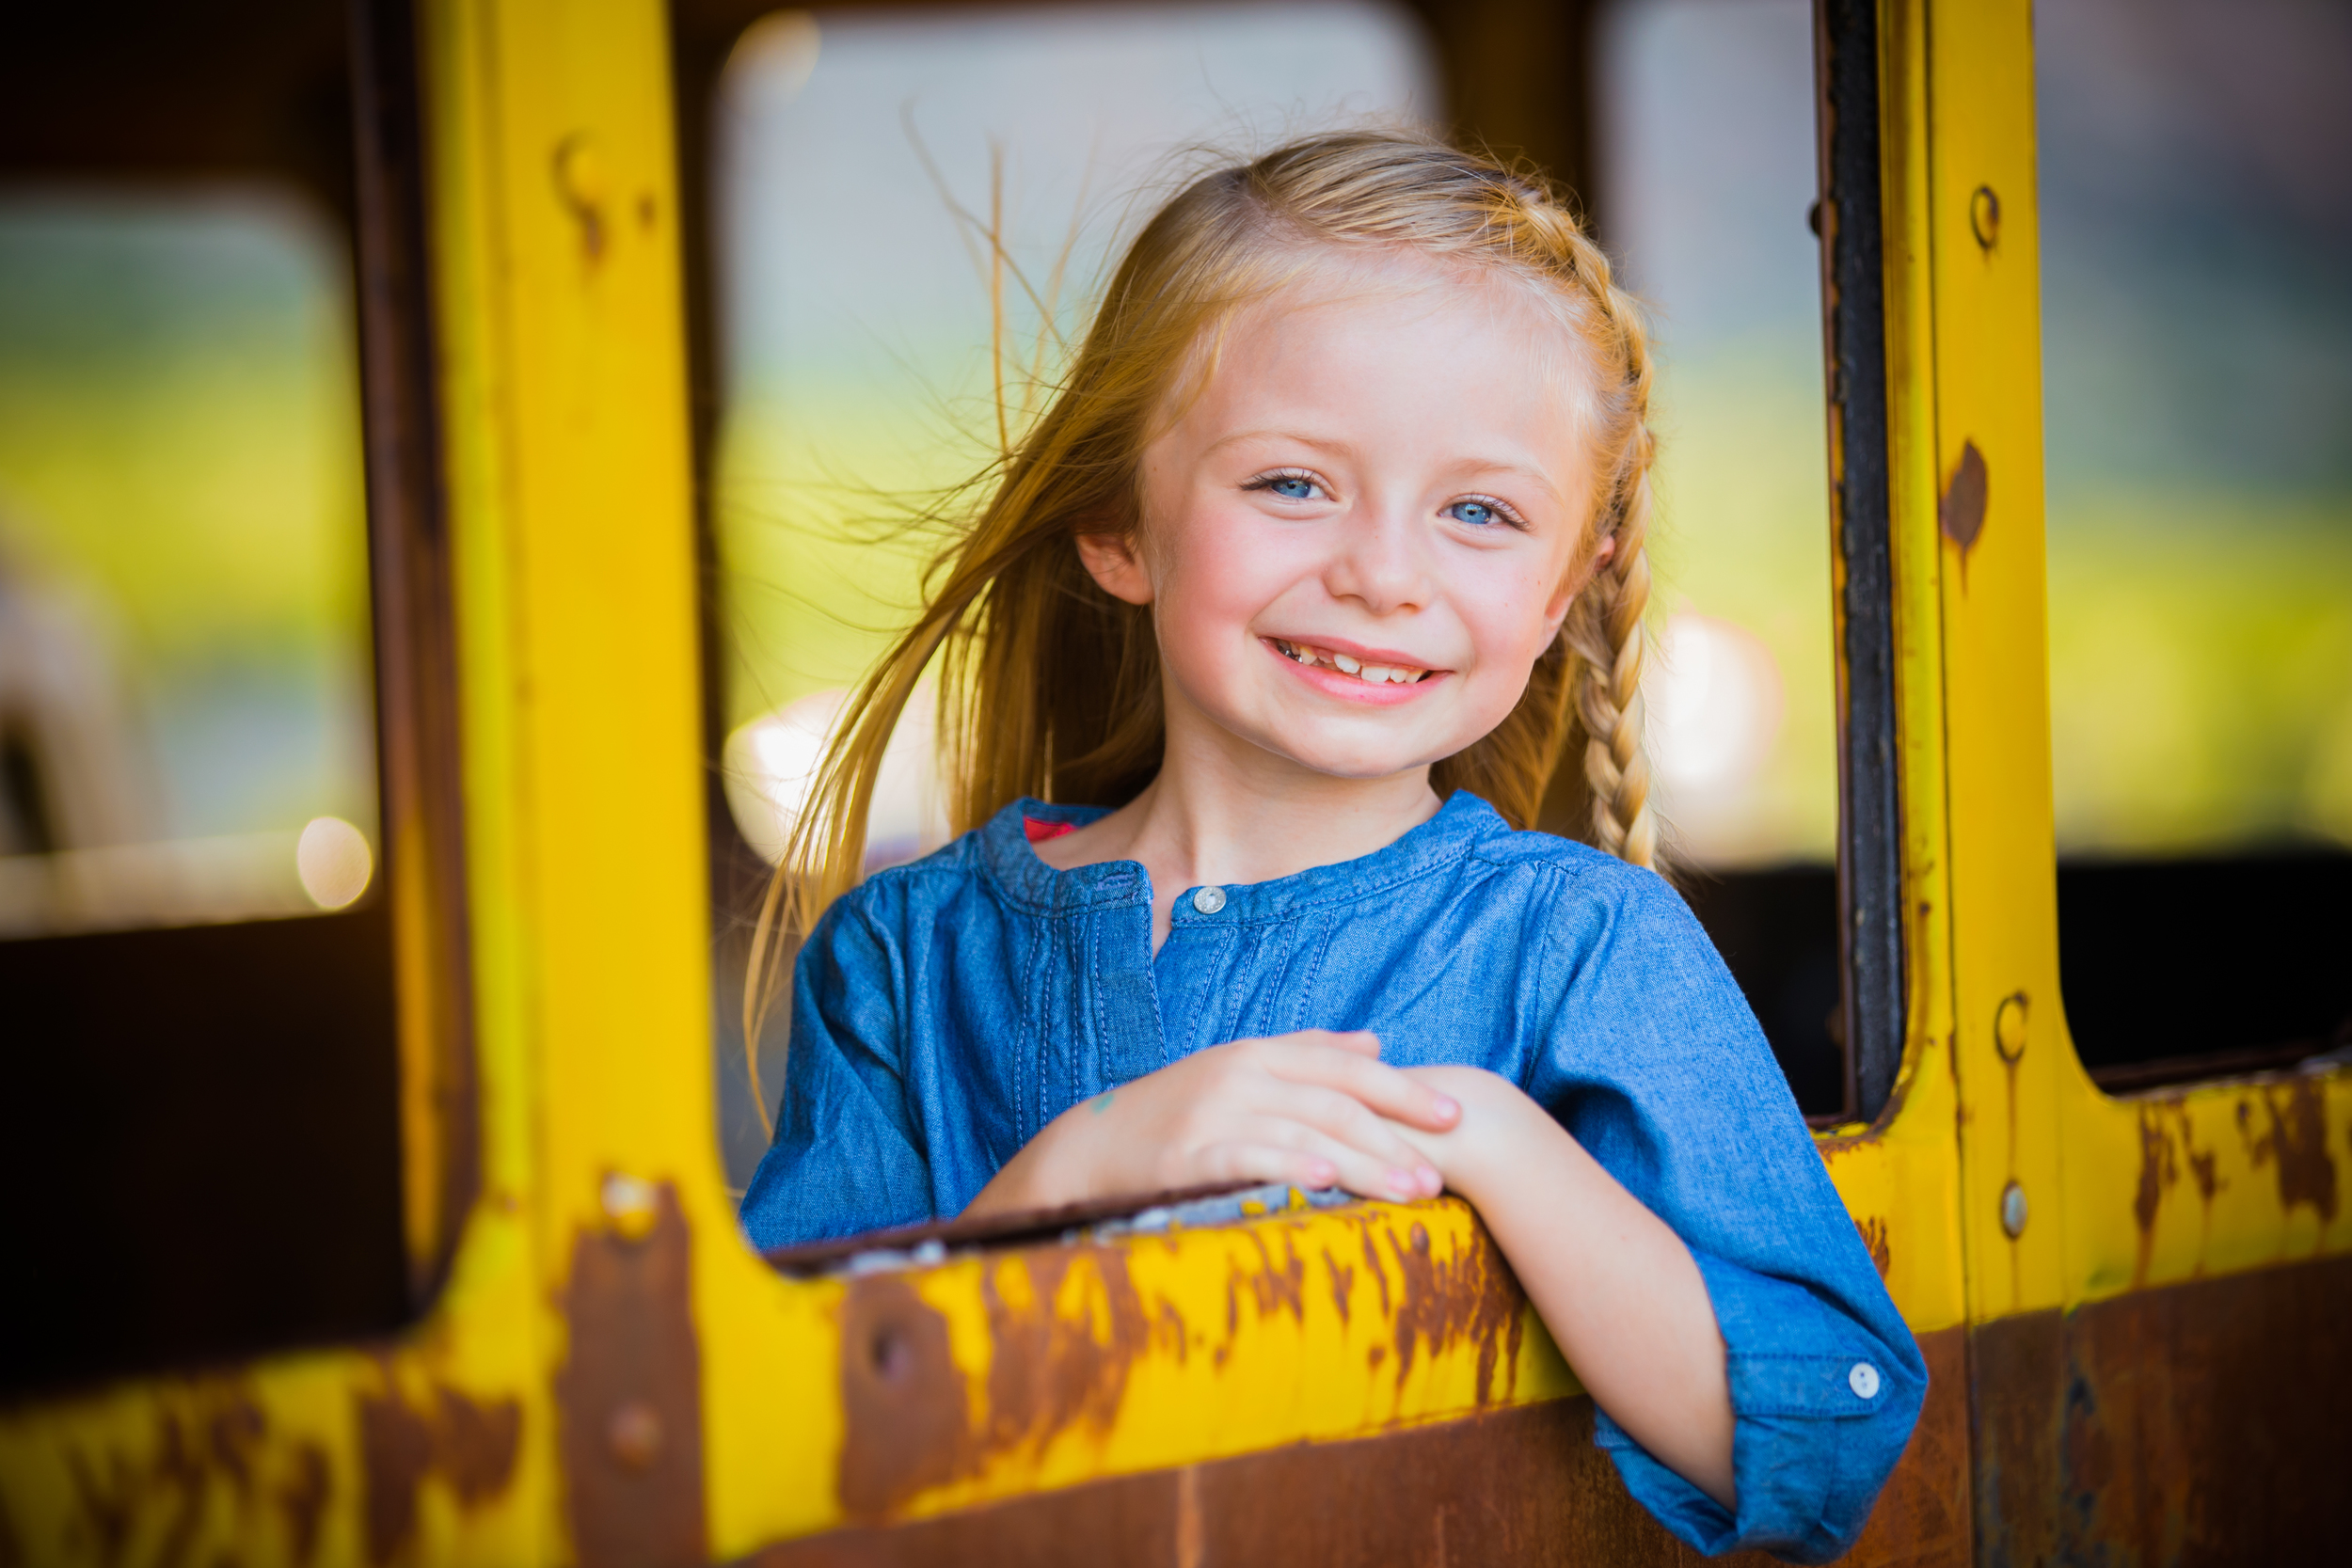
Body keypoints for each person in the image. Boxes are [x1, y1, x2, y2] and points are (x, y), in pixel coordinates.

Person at [737, 131, 1922, 1560]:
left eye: (1480, 513)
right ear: (1121, 521)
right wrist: (1077, 1169)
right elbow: (777, 1435)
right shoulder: (905, 954)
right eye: (1294, 484)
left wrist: (1484, 1135)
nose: (1381, 573)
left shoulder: (1579, 943)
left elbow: (1824, 1431)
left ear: (1564, 588)